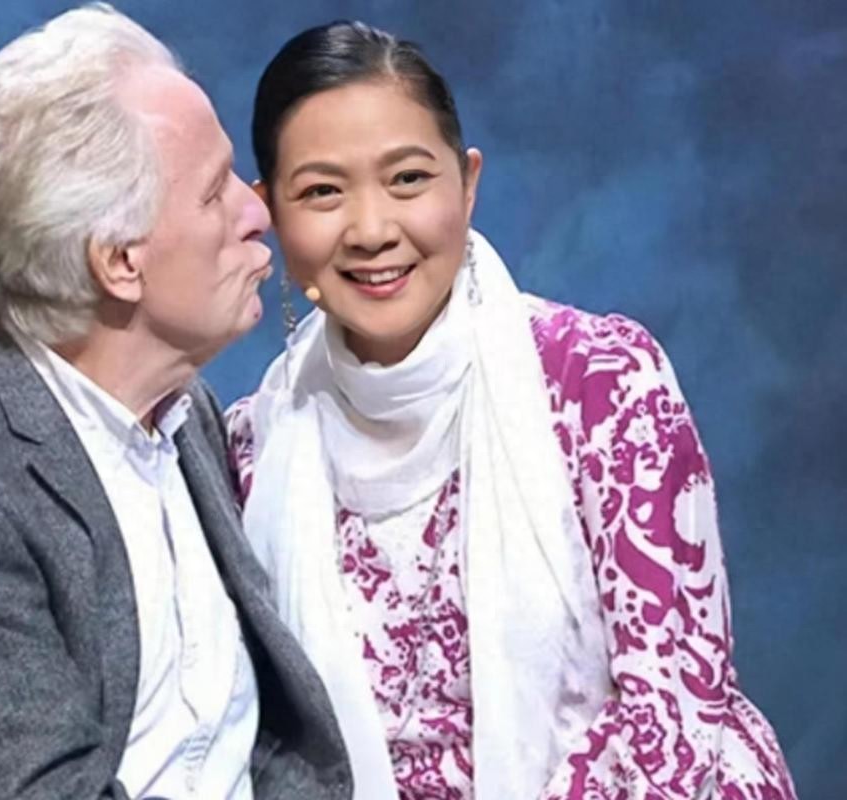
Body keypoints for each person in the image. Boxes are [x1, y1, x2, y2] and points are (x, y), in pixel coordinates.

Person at [227, 21, 796, 800]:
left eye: (407, 179)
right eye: (322, 192)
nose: (372, 230)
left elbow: (672, 715)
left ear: (467, 184)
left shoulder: (602, 385)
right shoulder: (252, 448)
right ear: (269, 212)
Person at [0, 6, 352, 799]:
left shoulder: (184, 413)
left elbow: (264, 744)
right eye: (213, 193)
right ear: (119, 262)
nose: (258, 212)